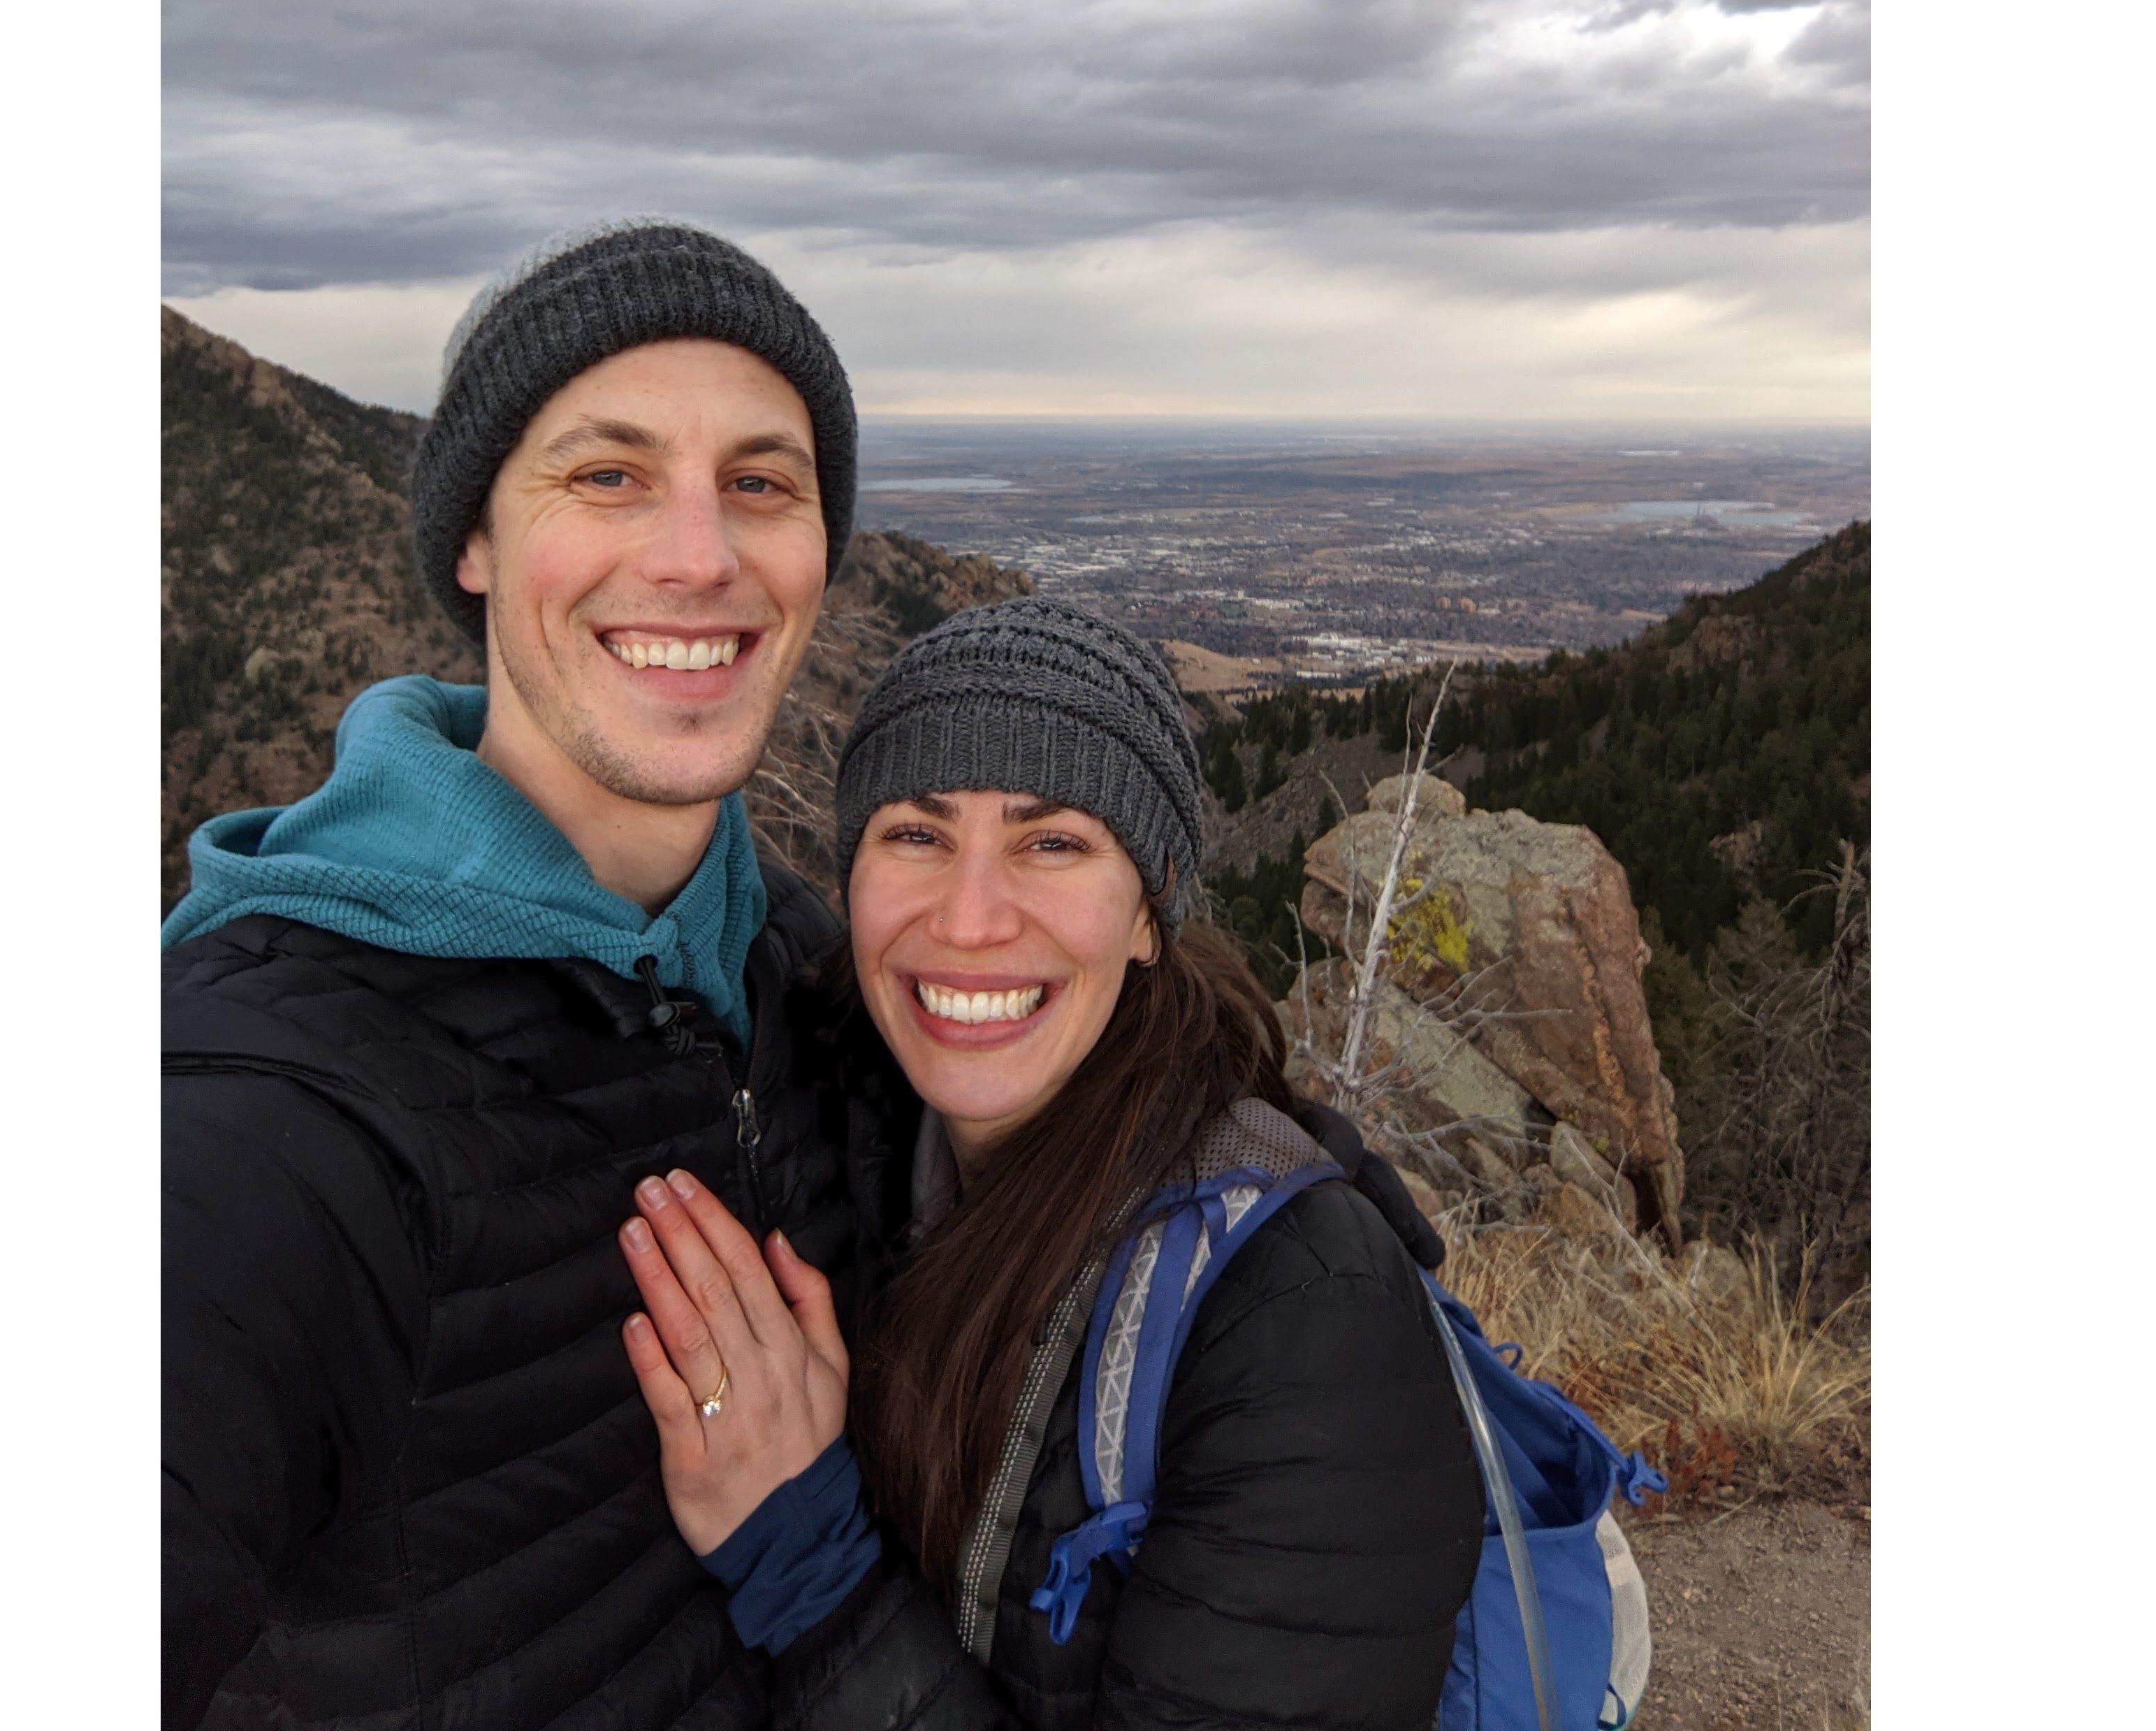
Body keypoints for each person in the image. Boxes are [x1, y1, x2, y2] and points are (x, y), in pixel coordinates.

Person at [161, 222, 891, 1730]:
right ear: (474, 546)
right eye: (606, 474)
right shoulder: (272, 1112)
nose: (698, 554)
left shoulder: (793, 965)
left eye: (761, 481)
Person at [613, 597, 1485, 1730]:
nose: (970, 919)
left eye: (1054, 842)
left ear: (1148, 911)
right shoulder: (868, 1141)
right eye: (917, 836)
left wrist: (809, 1566)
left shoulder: (1304, 1319)